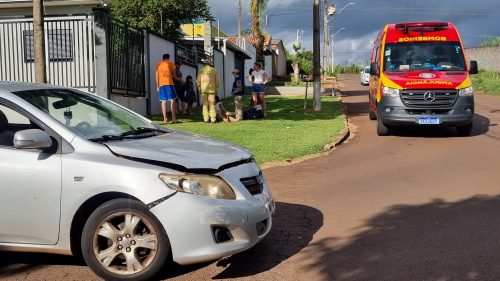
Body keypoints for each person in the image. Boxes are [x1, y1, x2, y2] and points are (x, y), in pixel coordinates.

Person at [156, 53, 181, 124]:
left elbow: (156, 76)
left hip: (161, 85)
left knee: (163, 101)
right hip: (169, 83)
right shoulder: (171, 63)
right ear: (168, 58)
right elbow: (175, 76)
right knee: (172, 100)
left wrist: (157, 86)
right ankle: (173, 119)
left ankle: (165, 118)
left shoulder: (158, 64)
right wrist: (181, 80)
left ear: (163, 58)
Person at [196, 59, 220, 123]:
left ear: (204, 64)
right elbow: (217, 81)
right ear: (210, 63)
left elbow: (198, 81)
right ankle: (213, 118)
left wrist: (199, 89)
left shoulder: (201, 70)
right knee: (212, 104)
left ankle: (206, 118)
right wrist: (216, 89)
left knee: (205, 105)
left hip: (203, 90)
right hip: (212, 90)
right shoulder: (214, 70)